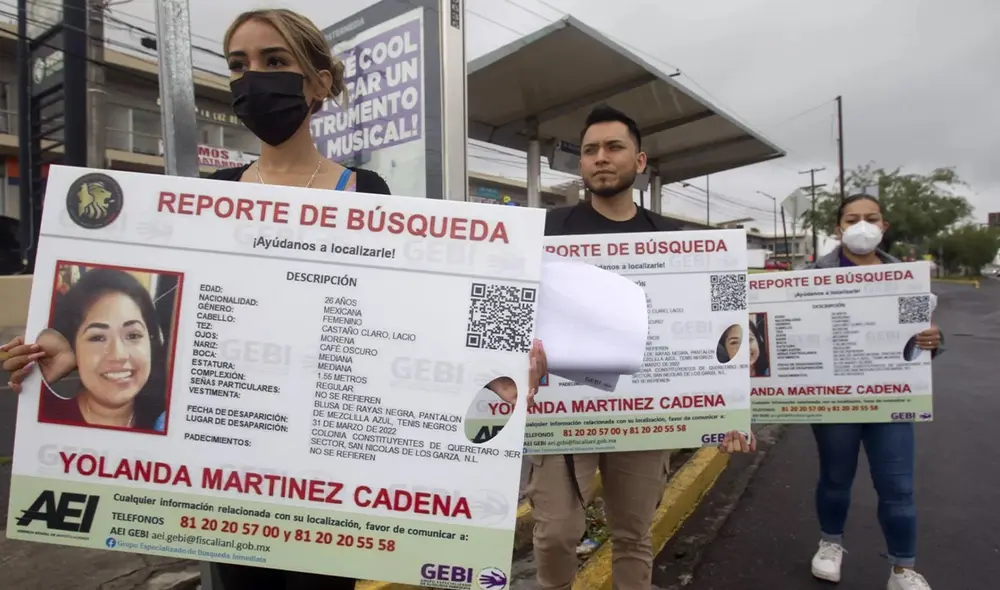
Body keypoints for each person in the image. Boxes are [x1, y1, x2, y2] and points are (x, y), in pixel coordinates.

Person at [4, 8, 547, 590]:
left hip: (331, 481)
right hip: (231, 482)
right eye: (239, 65)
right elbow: (169, 331)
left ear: (318, 82)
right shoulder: (212, 195)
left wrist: (501, 361)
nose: (253, 78)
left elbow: (408, 321)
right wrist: (62, 359)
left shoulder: (368, 192)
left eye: (275, 61)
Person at [523, 105, 754, 590]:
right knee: (557, 534)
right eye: (590, 151)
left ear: (640, 161)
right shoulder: (544, 231)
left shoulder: (673, 240)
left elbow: (719, 326)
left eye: (613, 148)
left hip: (645, 411)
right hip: (563, 410)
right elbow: (513, 307)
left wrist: (733, 408)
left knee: (633, 534)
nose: (600, 158)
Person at [807, 194, 942, 590]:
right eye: (852, 218)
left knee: (898, 485)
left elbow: (920, 339)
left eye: (871, 218)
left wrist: (934, 338)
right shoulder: (813, 275)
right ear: (838, 228)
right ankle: (830, 544)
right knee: (835, 477)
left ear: (883, 226)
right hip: (834, 401)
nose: (861, 225)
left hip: (891, 398)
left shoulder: (906, 276)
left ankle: (903, 568)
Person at [6, 267, 168, 432]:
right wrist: (29, 390)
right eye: (97, 337)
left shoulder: (170, 420)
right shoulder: (47, 416)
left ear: (151, 340)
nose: (118, 354)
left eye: (133, 335)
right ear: (73, 346)